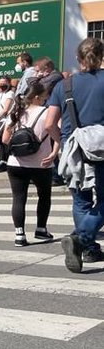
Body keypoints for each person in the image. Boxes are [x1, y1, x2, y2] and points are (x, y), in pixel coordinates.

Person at [45, 37, 104, 272]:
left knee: (81, 201)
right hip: (102, 149)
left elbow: (49, 123)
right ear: (101, 57)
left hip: (74, 151)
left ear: (78, 58)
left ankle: (86, 248)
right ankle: (81, 240)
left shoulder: (63, 86)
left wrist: (66, 143)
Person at [0, 82, 58, 247]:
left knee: (19, 198)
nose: (47, 98)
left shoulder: (17, 112)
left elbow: (5, 139)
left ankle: (19, 235)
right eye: (45, 96)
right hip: (42, 162)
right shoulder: (47, 112)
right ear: (38, 97)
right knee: (44, 196)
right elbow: (57, 133)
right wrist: (54, 153)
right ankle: (41, 229)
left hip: (15, 163)